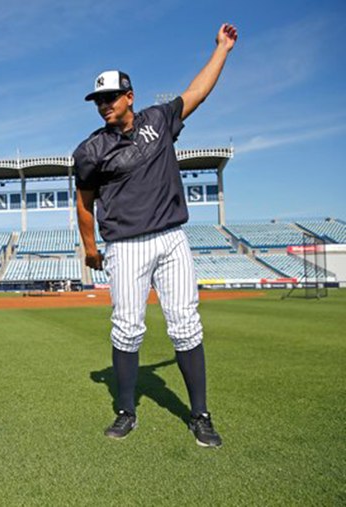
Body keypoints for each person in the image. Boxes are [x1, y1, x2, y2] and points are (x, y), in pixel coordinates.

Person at [74, 24, 238, 447]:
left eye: (109, 98)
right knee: (127, 328)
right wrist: (91, 248)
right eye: (98, 101)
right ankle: (126, 411)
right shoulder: (91, 150)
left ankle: (200, 415)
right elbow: (84, 200)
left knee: (186, 326)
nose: (103, 106)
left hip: (171, 239)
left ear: (129, 95)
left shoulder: (160, 120)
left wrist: (222, 48)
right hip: (125, 245)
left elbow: (198, 91)